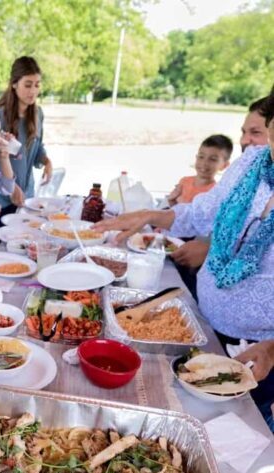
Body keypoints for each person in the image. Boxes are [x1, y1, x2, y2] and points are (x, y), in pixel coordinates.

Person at [92, 88, 274, 426]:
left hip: (256, 354)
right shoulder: (251, 161)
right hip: (201, 324)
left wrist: (272, 348)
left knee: (234, 441)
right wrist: (150, 214)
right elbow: (203, 212)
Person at [171, 97, 270, 270]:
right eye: (243, 132)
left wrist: (209, 251)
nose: (245, 141)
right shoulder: (242, 178)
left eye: (255, 133)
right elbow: (201, 216)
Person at [0, 56, 53, 231]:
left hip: (28, 199)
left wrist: (47, 161)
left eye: (37, 85)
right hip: (2, 199)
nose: (33, 90)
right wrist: (11, 188)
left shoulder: (38, 114)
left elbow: (38, 147)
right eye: (28, 84)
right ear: (14, 84)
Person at [167, 134, 233, 206]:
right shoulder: (184, 181)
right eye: (201, 157)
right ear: (196, 157)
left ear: (224, 165)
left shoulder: (215, 192)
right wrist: (171, 201)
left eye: (213, 159)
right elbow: (173, 208)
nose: (204, 163)